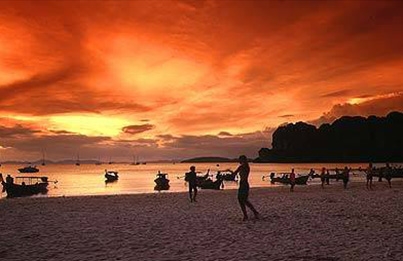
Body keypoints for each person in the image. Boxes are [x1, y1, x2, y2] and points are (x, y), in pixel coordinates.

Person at [232, 155, 260, 221]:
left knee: (241, 200)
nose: (239, 161)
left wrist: (231, 172)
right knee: (244, 200)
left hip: (243, 184)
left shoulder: (243, 166)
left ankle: (247, 215)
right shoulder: (246, 166)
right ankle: (254, 212)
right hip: (244, 184)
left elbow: (234, 174)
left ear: (242, 160)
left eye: (240, 159)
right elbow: (235, 173)